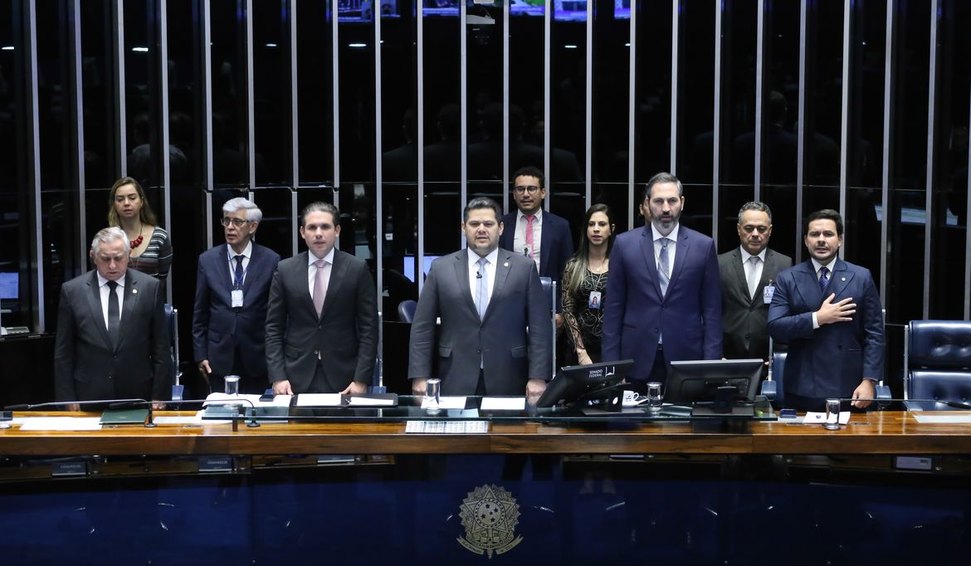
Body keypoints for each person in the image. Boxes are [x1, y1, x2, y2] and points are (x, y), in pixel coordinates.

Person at [408, 197, 552, 399]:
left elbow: (540, 327)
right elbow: (423, 326)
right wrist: (419, 375)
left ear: (500, 228)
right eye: (474, 224)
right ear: (463, 228)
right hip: (456, 374)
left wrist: (538, 376)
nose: (481, 229)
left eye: (488, 224)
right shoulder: (441, 268)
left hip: (509, 375)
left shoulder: (524, 268)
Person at [601, 172, 722, 386]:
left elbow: (712, 312)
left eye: (672, 201)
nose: (666, 208)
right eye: (658, 201)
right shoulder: (624, 244)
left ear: (682, 202)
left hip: (687, 358)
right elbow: (613, 310)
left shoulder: (703, 246)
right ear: (647, 203)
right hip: (635, 358)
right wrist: (611, 369)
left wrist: (710, 366)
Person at [767, 209, 885, 412]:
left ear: (840, 240)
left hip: (850, 386)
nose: (821, 240)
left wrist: (869, 380)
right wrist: (817, 318)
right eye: (815, 234)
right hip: (802, 385)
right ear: (806, 240)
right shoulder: (788, 278)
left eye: (828, 234)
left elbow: (874, 334)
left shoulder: (861, 277)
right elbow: (775, 327)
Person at [264, 202, 378, 395]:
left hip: (345, 376)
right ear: (302, 232)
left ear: (337, 231)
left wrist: (361, 379)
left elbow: (369, 328)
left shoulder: (356, 269)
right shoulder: (285, 270)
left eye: (325, 227)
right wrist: (278, 377)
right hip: (294, 377)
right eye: (312, 227)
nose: (318, 233)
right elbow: (273, 327)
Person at [54, 227, 171, 402]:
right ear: (93, 256)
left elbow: (161, 349)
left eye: (118, 258)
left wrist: (159, 398)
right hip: (89, 395)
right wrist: (67, 401)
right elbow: (63, 353)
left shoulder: (149, 288)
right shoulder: (72, 291)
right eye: (105, 259)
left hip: (138, 394)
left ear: (129, 254)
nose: (112, 266)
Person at [192, 198, 281, 395]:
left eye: (237, 222)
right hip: (218, 356)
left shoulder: (271, 260)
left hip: (257, 356)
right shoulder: (208, 260)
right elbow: (200, 312)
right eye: (226, 221)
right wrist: (200, 354)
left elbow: (276, 314)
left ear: (252, 226)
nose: (230, 227)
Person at [718, 202, 793, 361]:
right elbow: (712, 311)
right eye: (749, 228)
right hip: (727, 357)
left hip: (768, 357)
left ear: (770, 231)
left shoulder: (784, 264)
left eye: (761, 229)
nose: (755, 234)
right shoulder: (720, 263)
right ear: (739, 229)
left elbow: (786, 312)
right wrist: (717, 353)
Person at [498, 165, 574, 321]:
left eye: (531, 189)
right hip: (508, 304)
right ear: (514, 194)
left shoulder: (560, 226)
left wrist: (560, 309)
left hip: (547, 304)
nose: (526, 194)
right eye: (520, 189)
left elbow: (567, 272)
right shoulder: (502, 225)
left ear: (543, 193)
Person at [561, 204, 615, 366]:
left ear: (611, 229)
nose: (596, 229)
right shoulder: (573, 265)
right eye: (591, 224)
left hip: (612, 348)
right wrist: (581, 352)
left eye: (602, 224)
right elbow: (568, 310)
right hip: (580, 352)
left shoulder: (619, 265)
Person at [107, 176, 173, 296]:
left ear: (141, 201)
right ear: (114, 204)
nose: (126, 203)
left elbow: (161, 280)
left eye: (132, 198)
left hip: (149, 302)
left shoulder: (159, 237)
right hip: (115, 302)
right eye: (120, 199)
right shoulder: (106, 240)